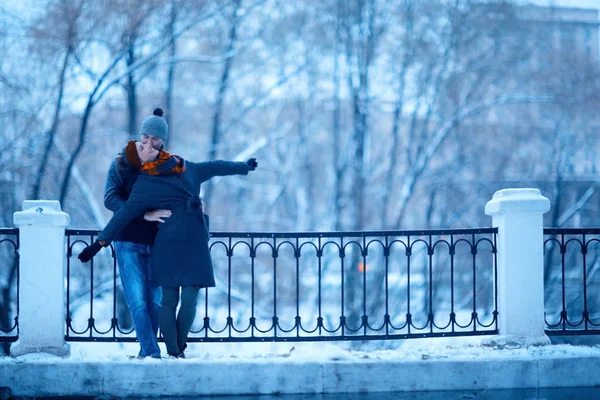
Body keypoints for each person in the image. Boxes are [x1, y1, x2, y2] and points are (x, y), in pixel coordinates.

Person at [80, 140, 258, 358]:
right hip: (167, 244)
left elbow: (213, 167)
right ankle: (172, 351)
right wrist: (97, 245)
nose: (147, 145)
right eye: (142, 148)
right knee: (166, 300)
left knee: (190, 298)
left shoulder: (183, 165)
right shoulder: (145, 184)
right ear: (141, 160)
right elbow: (123, 214)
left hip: (195, 242)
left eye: (145, 143)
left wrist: (243, 167)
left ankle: (178, 347)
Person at [104, 108, 172, 359]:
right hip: (127, 241)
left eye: (154, 138)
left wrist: (194, 204)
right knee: (138, 301)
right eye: (145, 136)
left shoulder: (169, 166)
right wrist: (142, 214)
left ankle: (147, 352)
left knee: (155, 301)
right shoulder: (121, 162)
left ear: (163, 140)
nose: (149, 142)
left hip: (158, 243)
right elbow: (109, 198)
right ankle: (152, 353)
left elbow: (181, 195)